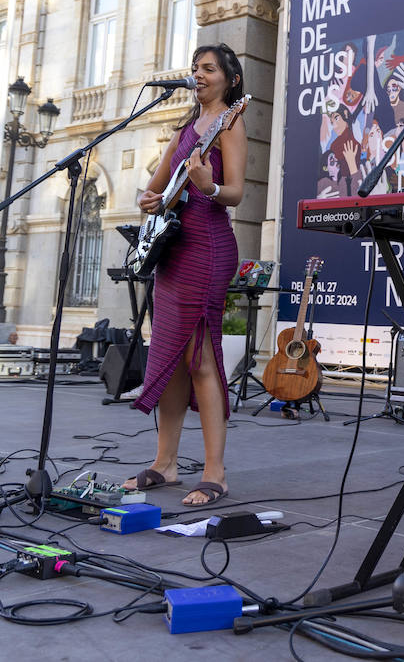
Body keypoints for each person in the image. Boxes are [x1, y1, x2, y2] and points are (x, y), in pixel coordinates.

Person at [125, 43, 246, 507]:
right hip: (173, 251)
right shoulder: (183, 130)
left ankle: (215, 471)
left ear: (230, 79)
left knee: (200, 359)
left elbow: (234, 193)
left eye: (209, 69)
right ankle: (165, 463)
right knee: (171, 358)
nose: (199, 74)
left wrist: (207, 186)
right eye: (195, 68)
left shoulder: (230, 125)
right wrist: (149, 200)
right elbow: (151, 189)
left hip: (209, 247)